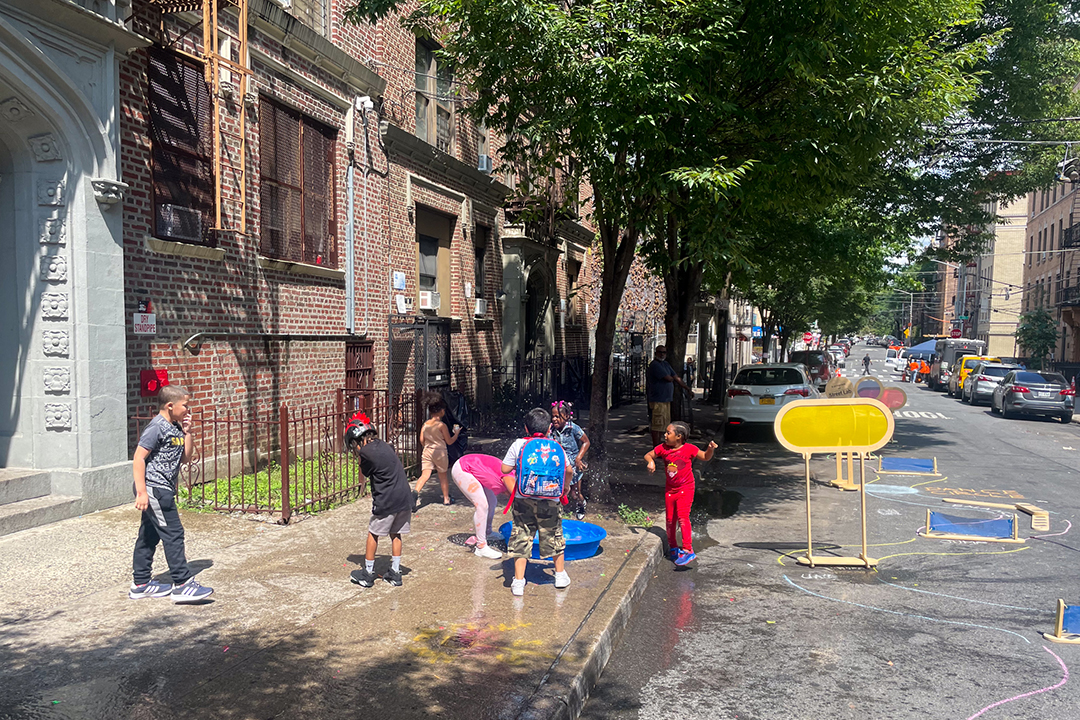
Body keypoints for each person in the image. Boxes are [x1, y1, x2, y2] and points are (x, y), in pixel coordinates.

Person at [130, 384, 214, 603]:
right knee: (174, 534)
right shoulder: (156, 427)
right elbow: (139, 458)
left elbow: (186, 458)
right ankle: (182, 584)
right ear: (170, 405)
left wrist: (187, 432)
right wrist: (141, 492)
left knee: (149, 535)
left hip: (163, 488)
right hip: (155, 488)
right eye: (185, 406)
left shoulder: (175, 428)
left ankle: (140, 584)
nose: (188, 410)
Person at [501, 407, 575, 597]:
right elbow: (568, 470)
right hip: (550, 500)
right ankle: (559, 575)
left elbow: (504, 468)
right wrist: (565, 487)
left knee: (521, 535)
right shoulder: (555, 445)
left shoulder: (519, 444)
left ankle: (518, 581)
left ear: (526, 428)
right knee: (553, 533)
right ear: (549, 428)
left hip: (523, 499)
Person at [345, 411, 412, 587]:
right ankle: (395, 573)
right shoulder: (385, 445)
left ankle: (367, 574)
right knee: (395, 533)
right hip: (404, 497)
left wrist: (360, 454)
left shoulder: (365, 453)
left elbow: (366, 471)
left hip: (387, 499)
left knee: (373, 533)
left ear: (356, 441)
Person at [645, 422, 717, 567]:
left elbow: (704, 457)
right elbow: (648, 455)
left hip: (686, 488)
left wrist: (710, 449)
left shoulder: (689, 449)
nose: (665, 435)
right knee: (671, 519)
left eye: (668, 433)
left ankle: (688, 549)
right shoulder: (663, 449)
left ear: (678, 436)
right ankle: (673, 547)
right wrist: (650, 462)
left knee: (683, 517)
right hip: (670, 489)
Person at [450, 453, 512, 559]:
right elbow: (513, 495)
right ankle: (481, 547)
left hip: (475, 467)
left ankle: (487, 532)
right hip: (463, 468)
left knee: (492, 501)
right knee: (482, 505)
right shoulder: (508, 479)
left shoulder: (511, 477)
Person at [414, 391, 462, 508]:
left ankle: (414, 494)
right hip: (440, 452)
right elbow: (449, 441)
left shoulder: (425, 425)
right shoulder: (442, 425)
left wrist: (428, 444)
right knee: (443, 475)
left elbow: (421, 440)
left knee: (425, 475)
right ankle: (446, 499)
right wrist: (456, 433)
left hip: (427, 451)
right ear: (441, 411)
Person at [549, 401, 590, 520]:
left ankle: (581, 505)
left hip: (573, 466)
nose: (554, 419)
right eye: (553, 416)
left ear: (566, 416)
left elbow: (586, 442)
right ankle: (557, 511)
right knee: (557, 490)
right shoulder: (551, 430)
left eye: (558, 416)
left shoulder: (573, 428)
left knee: (575, 493)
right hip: (558, 466)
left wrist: (579, 458)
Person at [647, 346, 692, 446]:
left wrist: (687, 388)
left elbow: (676, 377)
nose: (662, 354)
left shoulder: (666, 364)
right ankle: (656, 448)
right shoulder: (654, 365)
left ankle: (662, 446)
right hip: (658, 400)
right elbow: (669, 378)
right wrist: (673, 378)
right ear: (655, 353)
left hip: (666, 399)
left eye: (664, 352)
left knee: (664, 425)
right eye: (660, 352)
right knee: (657, 425)